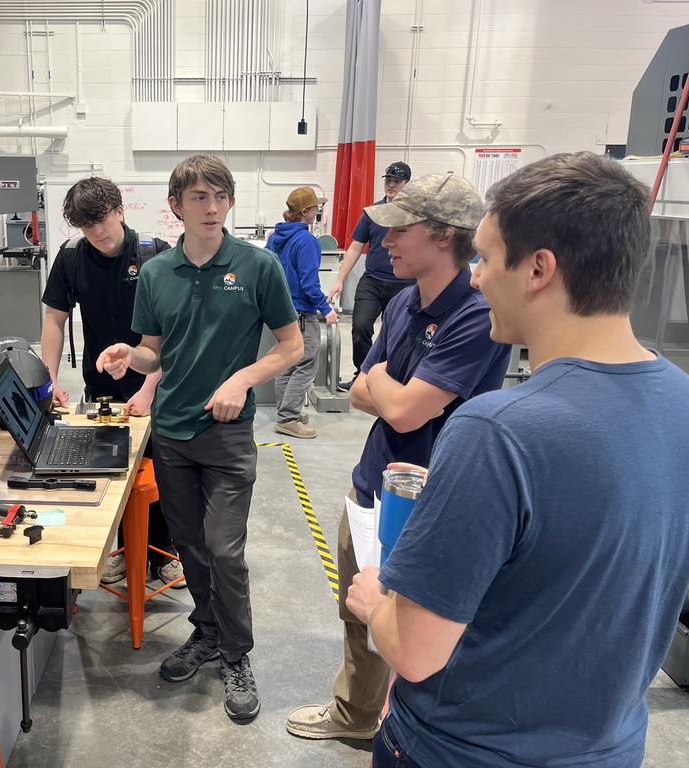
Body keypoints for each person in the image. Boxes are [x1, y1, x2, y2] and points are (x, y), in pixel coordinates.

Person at [347, 152, 689, 768]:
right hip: (606, 749)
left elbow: (417, 651)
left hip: (463, 750)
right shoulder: (682, 403)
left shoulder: (497, 432)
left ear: (537, 268)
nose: (475, 279)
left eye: (484, 257)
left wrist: (376, 600)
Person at [285, 172, 512, 742]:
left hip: (433, 500)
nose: (385, 243)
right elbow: (363, 388)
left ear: (442, 236)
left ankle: (415, 730)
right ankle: (356, 715)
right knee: (360, 609)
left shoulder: (477, 317)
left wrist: (390, 390)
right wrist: (392, 392)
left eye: (399, 230)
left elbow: (405, 410)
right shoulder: (408, 300)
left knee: (420, 626)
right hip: (373, 485)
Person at [96, 154, 302, 724]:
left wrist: (241, 378)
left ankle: (237, 655)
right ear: (176, 206)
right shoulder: (157, 273)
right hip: (171, 433)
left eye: (221, 196)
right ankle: (207, 633)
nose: (212, 208)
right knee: (189, 547)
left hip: (228, 436)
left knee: (224, 549)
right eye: (199, 199)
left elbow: (291, 347)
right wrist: (126, 356)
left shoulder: (259, 267)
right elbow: (153, 350)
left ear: (231, 201)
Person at [41, 176, 184, 588]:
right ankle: (121, 546)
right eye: (87, 226)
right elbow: (54, 319)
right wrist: (48, 381)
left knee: (160, 471)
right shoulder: (71, 258)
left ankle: (165, 550)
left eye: (102, 220)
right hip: (102, 383)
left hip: (157, 385)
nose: (97, 232)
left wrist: (148, 388)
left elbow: (170, 333)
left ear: (120, 211)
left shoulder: (155, 255)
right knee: (111, 469)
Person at [328, 161, 415, 390]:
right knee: (360, 328)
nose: (391, 185)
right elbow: (355, 247)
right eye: (388, 180)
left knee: (396, 334)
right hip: (373, 281)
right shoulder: (372, 213)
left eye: (397, 181)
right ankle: (363, 376)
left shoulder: (414, 215)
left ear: (406, 184)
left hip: (404, 285)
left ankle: (389, 378)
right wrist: (339, 280)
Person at [267, 186, 338, 439]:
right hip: (301, 312)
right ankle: (287, 418)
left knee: (288, 360)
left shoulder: (276, 237)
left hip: (281, 310)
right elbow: (309, 284)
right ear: (306, 211)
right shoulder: (306, 240)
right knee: (306, 362)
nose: (318, 211)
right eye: (316, 207)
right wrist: (326, 308)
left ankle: (287, 410)